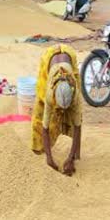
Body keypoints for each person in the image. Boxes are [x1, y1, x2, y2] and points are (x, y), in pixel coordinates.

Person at [31, 44, 82, 176]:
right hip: (49, 58)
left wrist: (69, 158)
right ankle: (38, 148)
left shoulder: (75, 95)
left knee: (78, 117)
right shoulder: (49, 94)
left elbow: (77, 126)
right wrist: (49, 158)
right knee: (39, 112)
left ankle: (75, 156)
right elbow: (45, 128)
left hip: (68, 54)